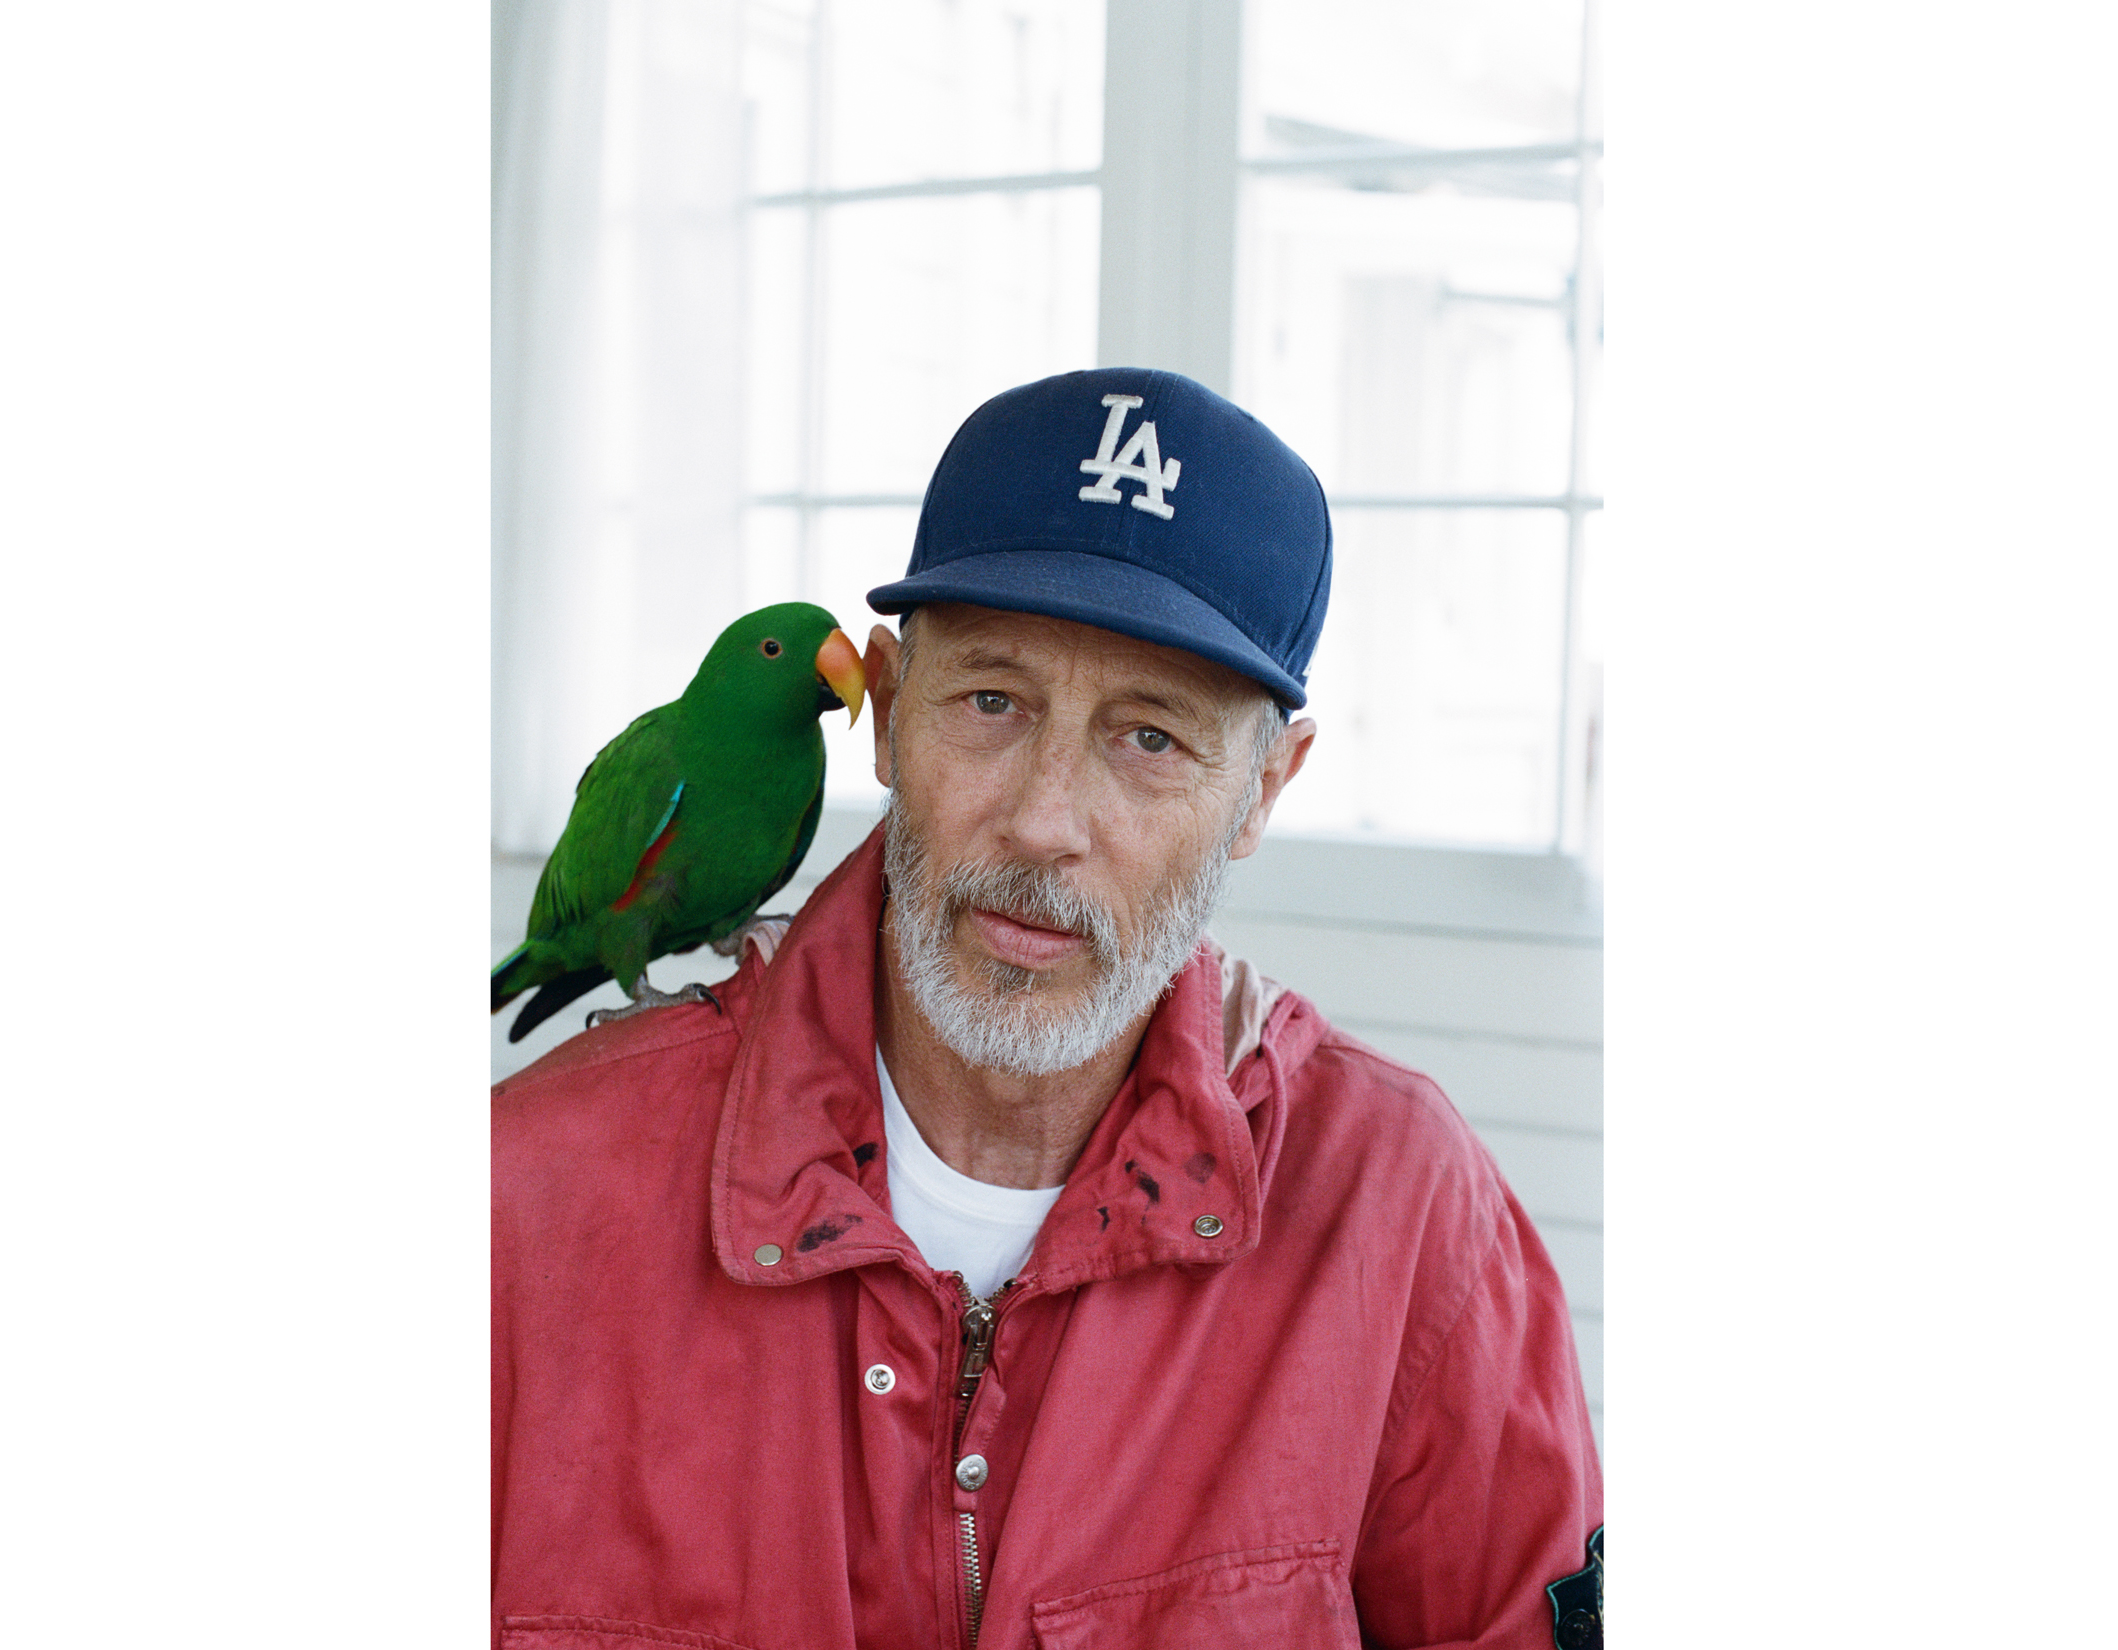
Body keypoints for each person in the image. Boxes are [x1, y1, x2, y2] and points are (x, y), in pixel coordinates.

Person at [492, 368, 1604, 1649]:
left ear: (1262, 790)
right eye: (992, 702)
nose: (1044, 821)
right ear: (888, 714)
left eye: (1151, 739)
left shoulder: (1405, 1213)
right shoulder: (520, 1197)